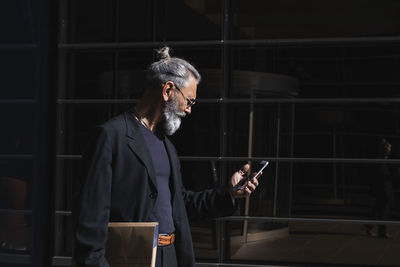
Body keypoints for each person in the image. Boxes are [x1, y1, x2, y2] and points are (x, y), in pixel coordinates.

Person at [72, 47, 260, 267]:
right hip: (130, 258)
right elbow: (89, 221)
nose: (189, 110)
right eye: (189, 101)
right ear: (168, 90)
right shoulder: (111, 136)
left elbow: (181, 205)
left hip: (170, 256)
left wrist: (229, 194)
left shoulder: (166, 145)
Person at [364, 138, 395, 238]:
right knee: (383, 210)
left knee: (378, 208)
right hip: (383, 189)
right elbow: (383, 175)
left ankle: (368, 226)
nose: (390, 149)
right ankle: (382, 231)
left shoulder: (382, 159)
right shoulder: (381, 160)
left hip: (382, 188)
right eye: (389, 148)